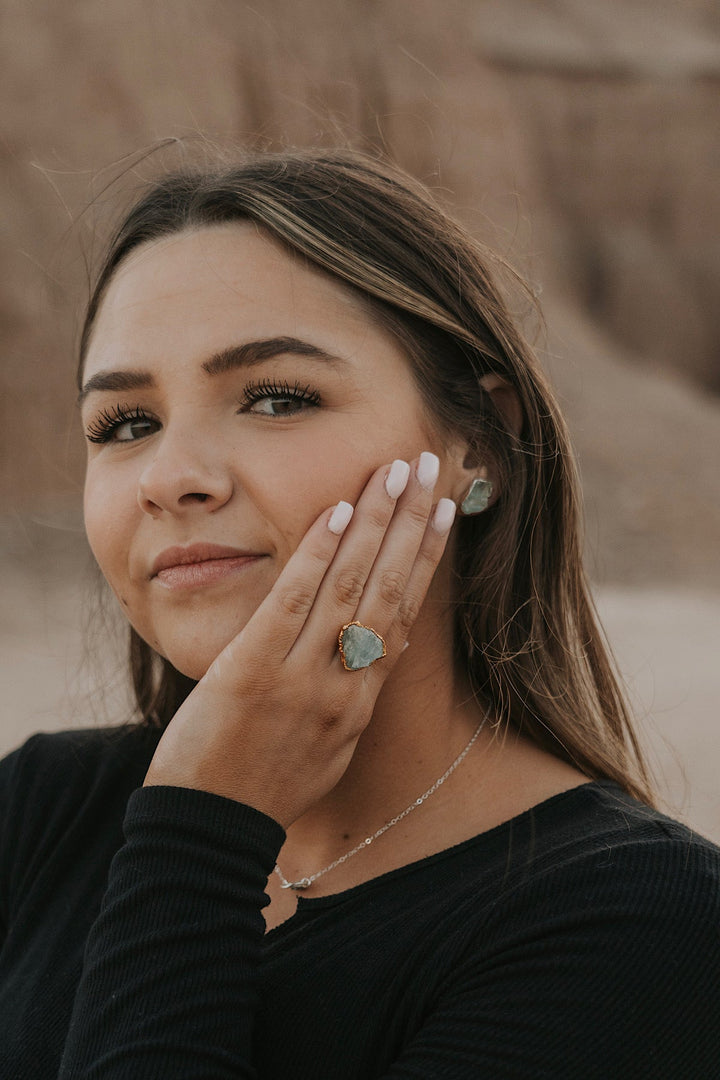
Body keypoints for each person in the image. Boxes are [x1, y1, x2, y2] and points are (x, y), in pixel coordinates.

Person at [1, 148, 718, 1079]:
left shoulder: (642, 925)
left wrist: (200, 831)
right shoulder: (39, 813)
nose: (172, 479)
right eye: (125, 424)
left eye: (276, 398)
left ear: (481, 446)